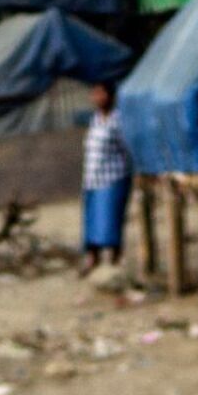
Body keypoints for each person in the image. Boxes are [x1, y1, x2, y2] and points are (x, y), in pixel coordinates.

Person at [80, 81, 132, 275]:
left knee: (110, 219)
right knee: (92, 219)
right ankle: (93, 258)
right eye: (95, 94)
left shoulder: (118, 120)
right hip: (92, 179)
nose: (97, 98)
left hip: (113, 178)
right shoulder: (95, 120)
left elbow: (126, 149)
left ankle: (114, 259)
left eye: (101, 93)